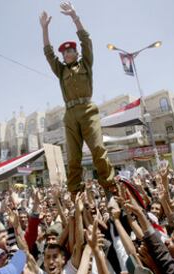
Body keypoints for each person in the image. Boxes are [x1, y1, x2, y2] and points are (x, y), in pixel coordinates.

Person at [40, 1, 115, 196]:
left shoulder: (86, 64)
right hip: (70, 115)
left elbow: (86, 40)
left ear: (76, 53)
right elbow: (49, 54)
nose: (67, 53)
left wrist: (75, 17)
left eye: (70, 50)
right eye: (64, 52)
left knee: (98, 149)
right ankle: (75, 193)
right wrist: (45, 29)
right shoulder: (60, 70)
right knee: (73, 157)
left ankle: (109, 188)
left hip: (88, 111)